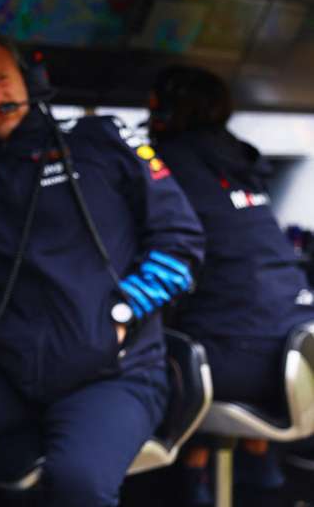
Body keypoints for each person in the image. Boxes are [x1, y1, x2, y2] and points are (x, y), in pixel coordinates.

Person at [0, 32, 204, 507]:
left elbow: (182, 242)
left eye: (3, 79)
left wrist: (123, 313)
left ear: (29, 79)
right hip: (13, 371)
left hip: (115, 373)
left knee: (78, 486)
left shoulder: (101, 139)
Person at [150, 65, 314, 504]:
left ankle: (193, 482)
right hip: (300, 343)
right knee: (217, 323)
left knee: (141, 358)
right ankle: (254, 474)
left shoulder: (165, 164)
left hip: (240, 363)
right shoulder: (243, 159)